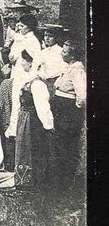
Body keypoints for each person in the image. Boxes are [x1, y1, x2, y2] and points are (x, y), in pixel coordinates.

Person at [0, 50, 56, 190]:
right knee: (25, 148)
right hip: (25, 119)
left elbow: (43, 108)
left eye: (24, 60)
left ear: (31, 63)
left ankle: (34, 181)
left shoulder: (37, 84)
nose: (21, 63)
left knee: (33, 149)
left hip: (33, 121)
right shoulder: (28, 79)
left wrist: (48, 125)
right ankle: (24, 179)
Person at [50, 39, 86, 189]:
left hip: (68, 112)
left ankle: (67, 181)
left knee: (67, 145)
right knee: (59, 144)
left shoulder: (77, 69)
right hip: (61, 110)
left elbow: (82, 95)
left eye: (64, 51)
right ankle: (59, 179)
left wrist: (73, 109)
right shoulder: (68, 67)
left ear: (72, 55)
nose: (61, 53)